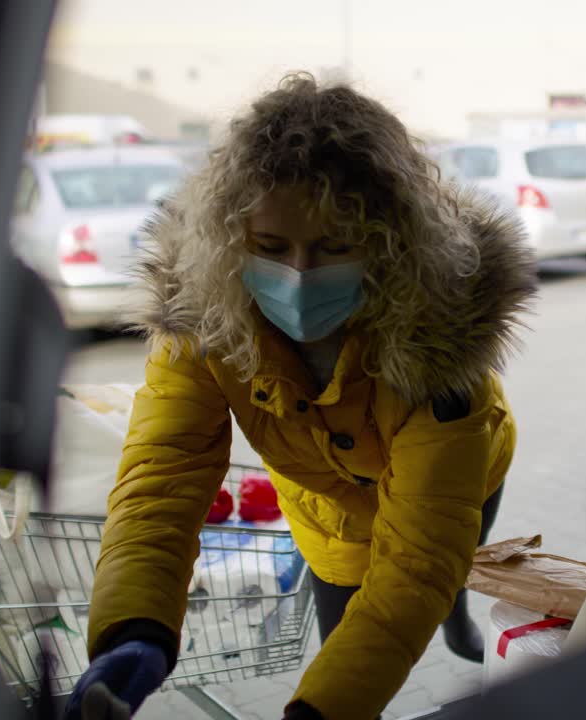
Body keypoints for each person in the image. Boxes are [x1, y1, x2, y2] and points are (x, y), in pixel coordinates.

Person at [63, 73, 537, 720]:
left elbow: (419, 556)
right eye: (270, 247)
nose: (299, 275)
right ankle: (446, 604)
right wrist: (132, 629)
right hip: (329, 501)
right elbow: (161, 479)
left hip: (470, 470)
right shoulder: (202, 320)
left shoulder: (441, 353)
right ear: (232, 240)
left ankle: (455, 614)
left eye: (334, 247)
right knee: (346, 627)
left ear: (389, 246)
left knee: (439, 564)